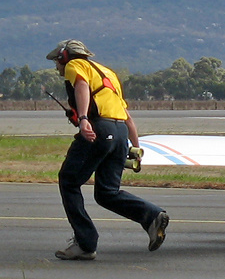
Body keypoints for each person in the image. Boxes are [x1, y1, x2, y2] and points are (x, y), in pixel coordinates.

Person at [47, 40, 169, 260]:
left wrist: (83, 119)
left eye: (57, 60)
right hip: (120, 131)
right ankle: (152, 216)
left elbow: (82, 86)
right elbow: (126, 115)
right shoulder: (108, 73)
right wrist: (136, 148)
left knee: (69, 180)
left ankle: (85, 244)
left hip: (99, 129)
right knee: (107, 193)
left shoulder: (76, 66)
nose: (57, 65)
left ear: (65, 57)